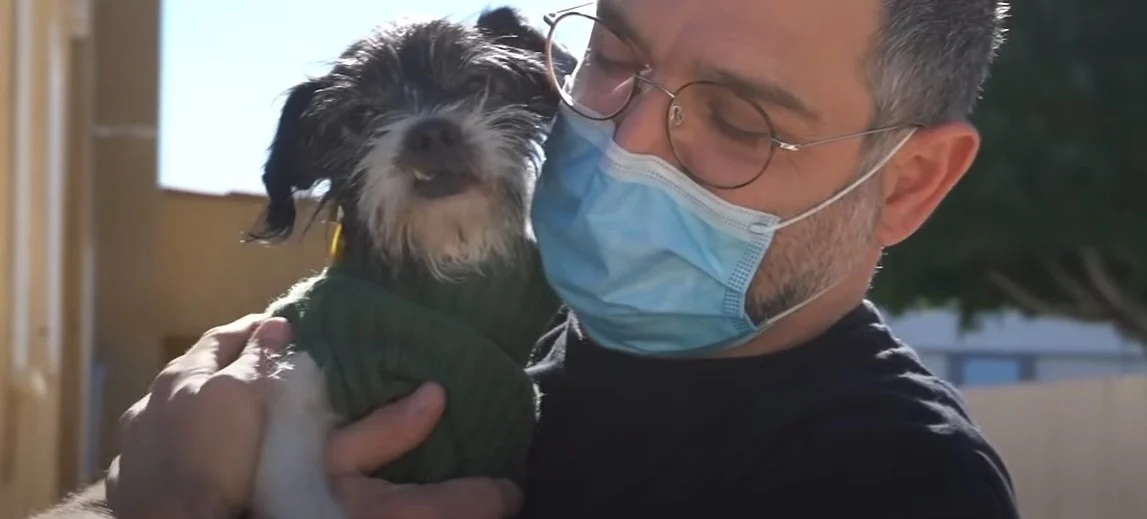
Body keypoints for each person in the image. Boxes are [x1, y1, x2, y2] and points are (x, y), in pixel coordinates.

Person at [31, 0, 1020, 517]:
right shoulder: (510, 340)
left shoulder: (891, 484)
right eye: (613, 57)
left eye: (736, 118)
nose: (624, 142)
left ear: (907, 183)